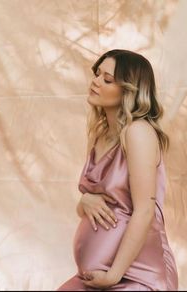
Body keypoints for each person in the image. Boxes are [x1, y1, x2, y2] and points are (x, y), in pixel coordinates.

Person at [57, 49, 178, 291]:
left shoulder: (138, 132)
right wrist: (86, 200)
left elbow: (144, 210)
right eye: (97, 74)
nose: (96, 81)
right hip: (96, 277)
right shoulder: (101, 134)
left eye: (108, 79)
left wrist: (113, 274)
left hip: (136, 275)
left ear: (129, 89)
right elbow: (95, 207)